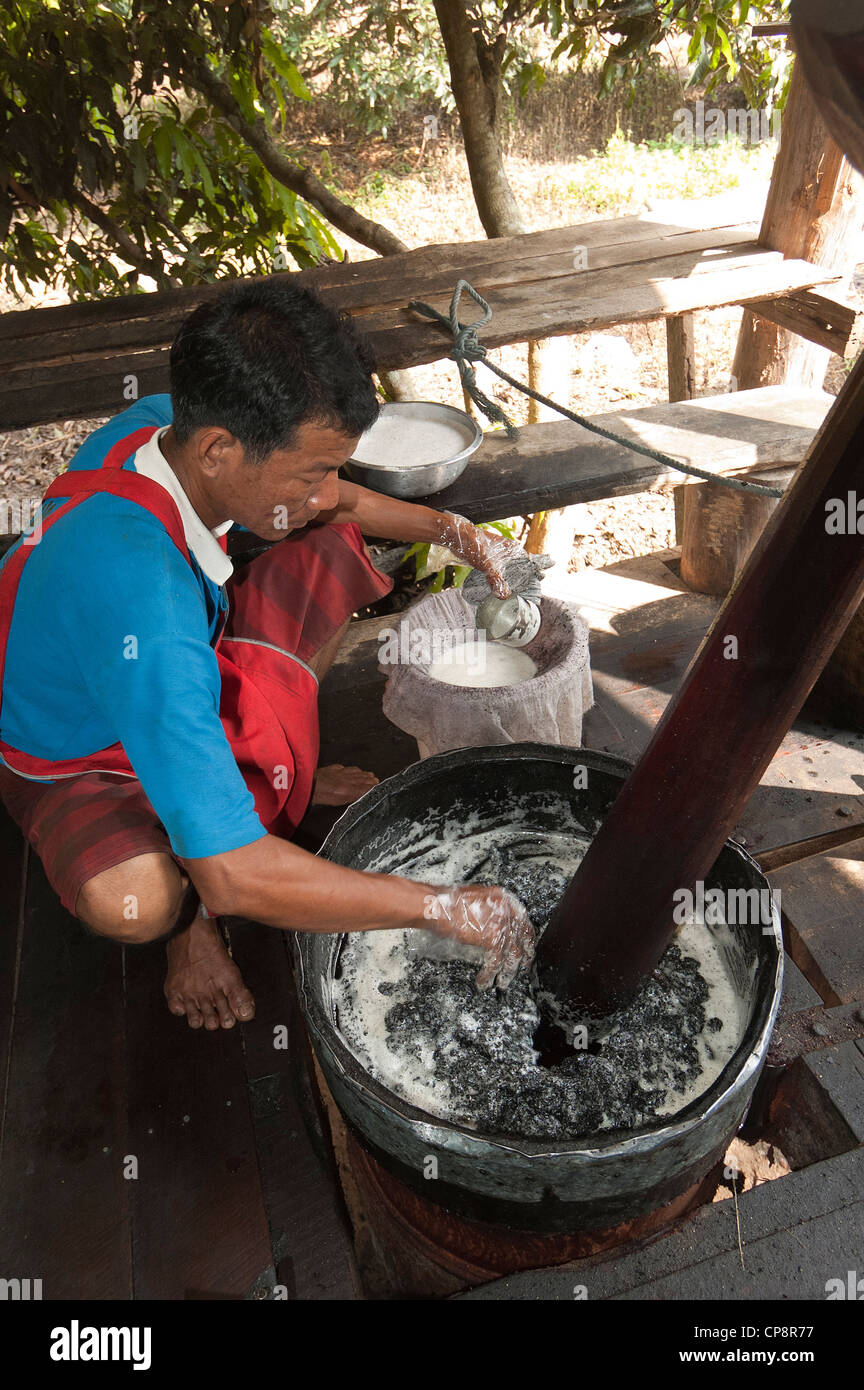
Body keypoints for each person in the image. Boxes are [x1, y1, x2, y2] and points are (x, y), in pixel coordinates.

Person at [0, 279, 535, 1031]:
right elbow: (236, 876)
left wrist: (458, 535)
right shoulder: (143, 605)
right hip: (80, 750)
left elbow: (345, 502)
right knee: (141, 898)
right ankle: (188, 924)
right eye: (313, 470)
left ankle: (259, 777)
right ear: (220, 450)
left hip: (161, 672)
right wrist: (441, 908)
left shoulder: (165, 429)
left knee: (328, 543)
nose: (327, 491)